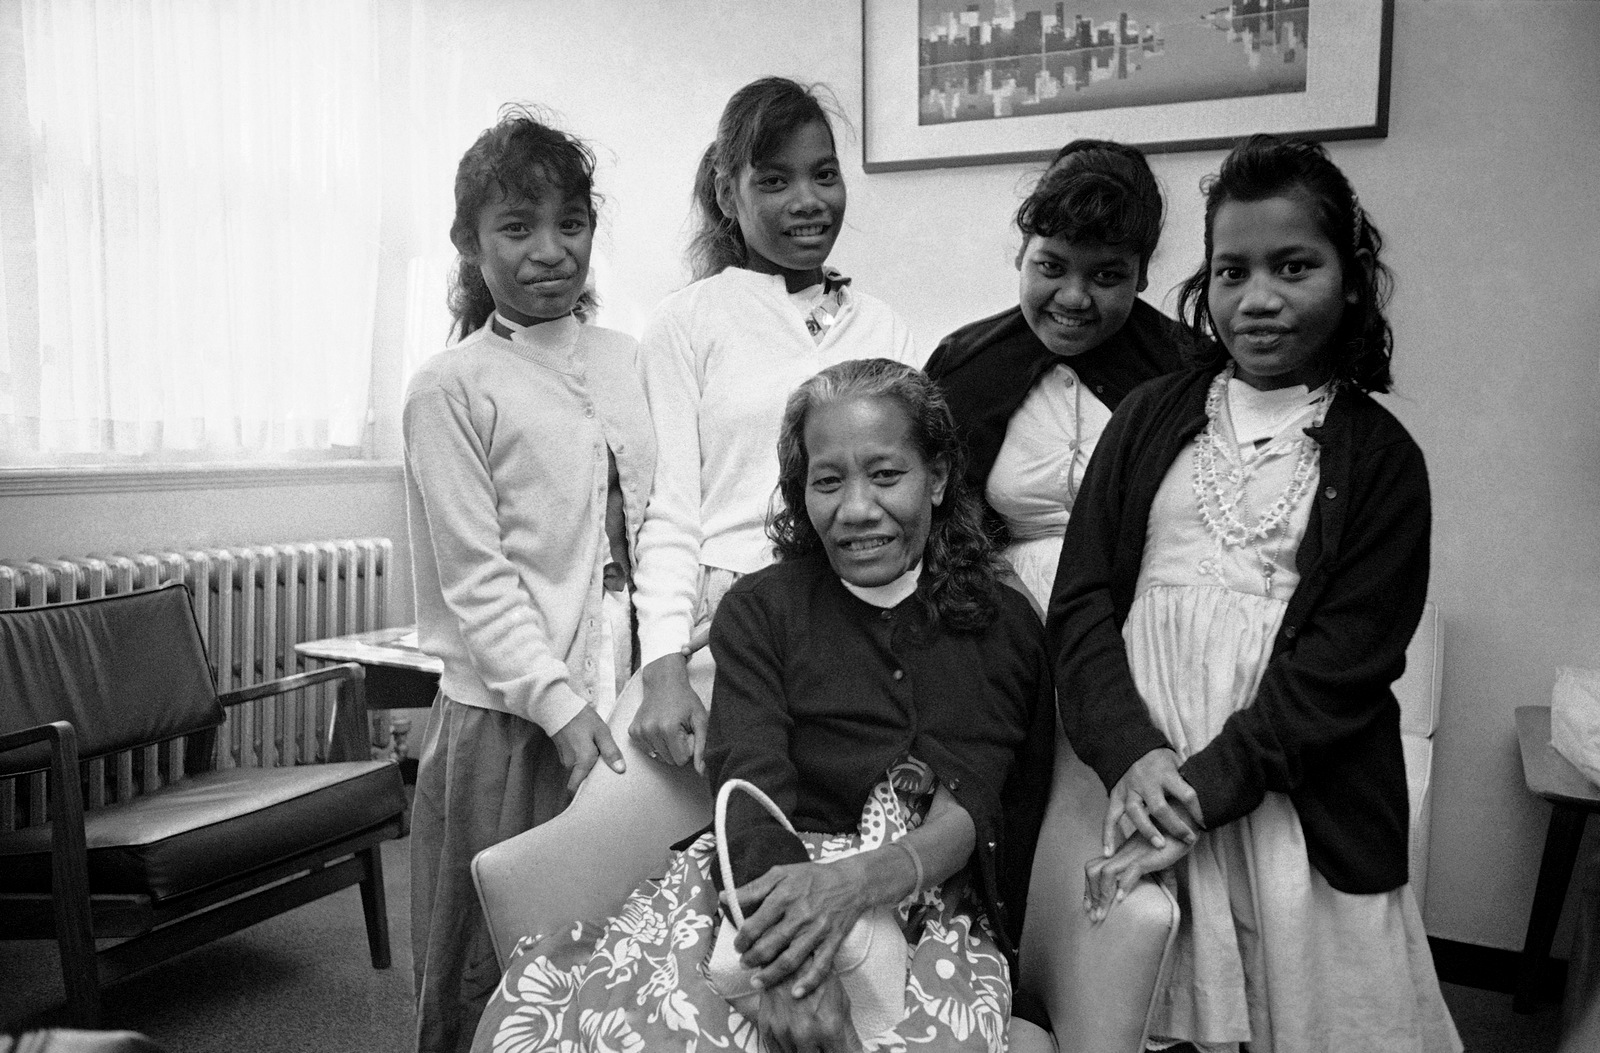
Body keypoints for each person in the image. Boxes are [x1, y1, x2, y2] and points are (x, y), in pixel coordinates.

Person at [471, 358, 1054, 1053]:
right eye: (828, 480)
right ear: (800, 491)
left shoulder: (998, 620)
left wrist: (851, 887)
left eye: (886, 474)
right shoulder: (760, 609)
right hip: (757, 878)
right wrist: (784, 959)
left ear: (937, 476)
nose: (856, 508)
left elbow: (972, 801)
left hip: (917, 896)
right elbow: (747, 784)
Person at [1048, 135, 1461, 1052]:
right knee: (1144, 1016)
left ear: (1350, 280)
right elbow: (1079, 607)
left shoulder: (1385, 463)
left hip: (1287, 808)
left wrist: (1200, 790)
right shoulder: (1153, 416)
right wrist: (1135, 757)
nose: (1258, 297)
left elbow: (1341, 670)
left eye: (1293, 266)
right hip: (1136, 784)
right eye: (1232, 270)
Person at [403, 109, 655, 1053]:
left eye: (572, 224)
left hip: (624, 695)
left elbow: (657, 522)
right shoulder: (450, 385)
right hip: (512, 722)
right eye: (517, 228)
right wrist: (559, 708)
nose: (551, 252)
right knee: (496, 964)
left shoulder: (631, 359)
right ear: (469, 242)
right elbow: (478, 580)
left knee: (620, 951)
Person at [629, 77, 919, 772]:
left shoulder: (881, 324)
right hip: (731, 614)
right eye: (775, 180)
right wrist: (661, 664)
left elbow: (915, 494)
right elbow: (668, 511)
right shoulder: (686, 323)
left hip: (866, 606)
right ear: (729, 195)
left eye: (823, 175)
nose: (807, 201)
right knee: (746, 807)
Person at [925, 140, 1190, 612]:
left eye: (1106, 276)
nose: (1073, 298)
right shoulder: (964, 364)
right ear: (1020, 255)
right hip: (998, 607)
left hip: (1151, 606)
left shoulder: (1186, 370)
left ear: (1142, 273)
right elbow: (935, 519)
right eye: (1051, 267)